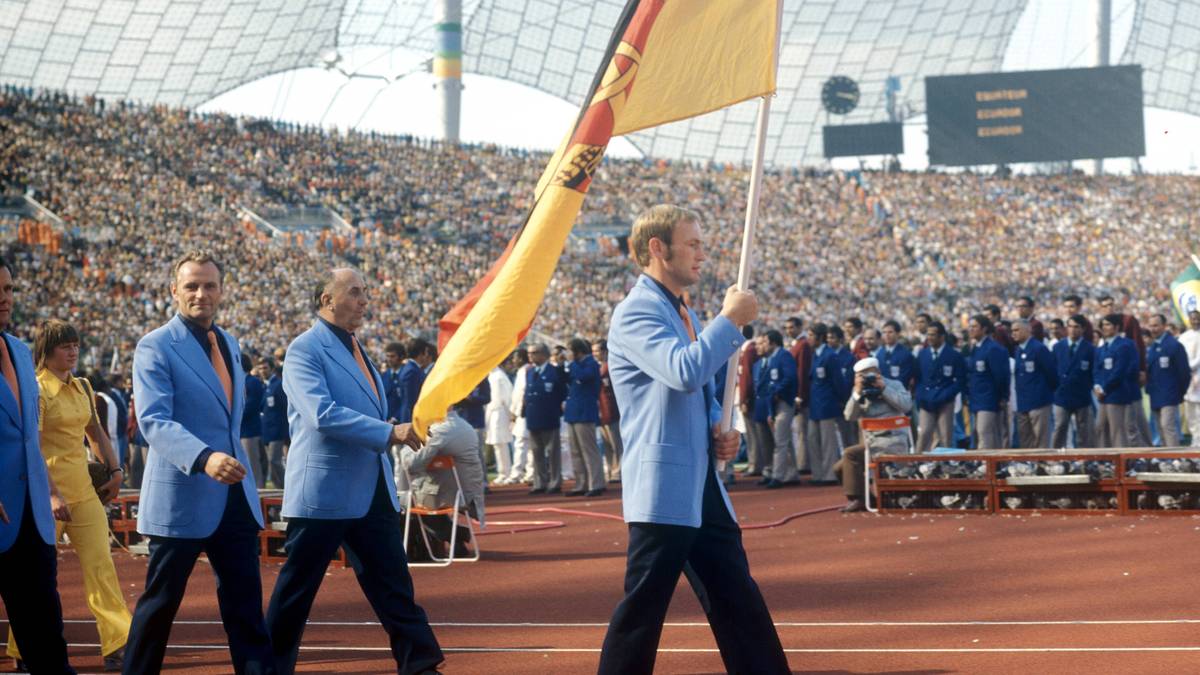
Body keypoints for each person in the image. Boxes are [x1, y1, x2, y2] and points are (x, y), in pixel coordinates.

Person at [598, 204, 788, 675]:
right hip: (665, 486)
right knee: (642, 610)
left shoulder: (683, 311)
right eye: (694, 244)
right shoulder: (636, 312)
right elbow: (682, 372)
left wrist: (721, 432)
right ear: (658, 248)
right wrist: (730, 322)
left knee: (736, 594)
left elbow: (698, 394)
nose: (703, 253)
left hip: (699, 482)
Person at [265, 267, 442, 674]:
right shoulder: (304, 349)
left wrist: (397, 428)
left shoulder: (356, 347)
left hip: (371, 487)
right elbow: (322, 414)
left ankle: (421, 664)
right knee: (296, 592)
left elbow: (363, 412)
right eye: (355, 292)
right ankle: (268, 667)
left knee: (394, 586)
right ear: (327, 299)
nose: (364, 301)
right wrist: (388, 432)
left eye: (365, 292)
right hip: (325, 491)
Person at [124, 250, 273, 674]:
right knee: (160, 605)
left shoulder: (229, 342)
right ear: (174, 291)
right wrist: (204, 458)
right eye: (191, 285)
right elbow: (153, 421)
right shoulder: (154, 346)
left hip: (234, 496)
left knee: (246, 609)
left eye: (209, 285)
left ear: (222, 291)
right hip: (183, 494)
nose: (200, 293)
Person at [7, 320, 131, 671]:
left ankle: (119, 642)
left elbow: (96, 432)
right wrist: (51, 495)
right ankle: (23, 650)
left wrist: (116, 470)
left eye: (76, 344)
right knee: (34, 579)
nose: (73, 351)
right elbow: (31, 446)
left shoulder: (83, 386)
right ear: (46, 352)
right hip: (46, 497)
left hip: (83, 493)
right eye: (65, 346)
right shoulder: (36, 390)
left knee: (101, 568)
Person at [0, 258, 77, 675]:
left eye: (9, 289)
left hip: (31, 519)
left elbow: (29, 438)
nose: (4, 298)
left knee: (47, 640)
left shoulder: (19, 349)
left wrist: (48, 490)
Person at [835, 357, 913, 512]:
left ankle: (858, 499)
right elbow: (849, 416)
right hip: (871, 443)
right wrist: (857, 394)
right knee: (838, 468)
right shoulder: (859, 390)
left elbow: (906, 406)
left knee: (849, 454)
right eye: (860, 376)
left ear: (877, 372)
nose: (866, 379)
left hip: (893, 440)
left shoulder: (894, 384)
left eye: (868, 375)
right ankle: (865, 499)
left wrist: (884, 389)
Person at [752, 330, 799, 488]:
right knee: (784, 440)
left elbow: (790, 377)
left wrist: (778, 391)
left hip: (783, 402)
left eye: (765, 342)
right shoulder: (773, 358)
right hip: (774, 403)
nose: (763, 345)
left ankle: (778, 476)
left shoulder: (783, 356)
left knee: (780, 440)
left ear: (773, 342)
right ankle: (791, 473)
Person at [809, 325, 852, 484]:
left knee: (828, 442)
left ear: (819, 337)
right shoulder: (815, 355)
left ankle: (829, 474)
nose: (809, 338)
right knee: (813, 439)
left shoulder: (829, 356)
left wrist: (841, 399)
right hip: (815, 404)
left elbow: (838, 382)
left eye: (811, 335)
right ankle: (817, 473)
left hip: (827, 404)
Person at [522, 343, 567, 495]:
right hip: (533, 417)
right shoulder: (530, 372)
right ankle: (539, 482)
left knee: (553, 453)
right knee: (536, 453)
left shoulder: (554, 371)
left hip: (549, 416)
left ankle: (555, 482)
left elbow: (561, 393)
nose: (530, 356)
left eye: (533, 352)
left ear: (543, 354)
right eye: (529, 353)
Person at [914, 321, 965, 452]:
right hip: (926, 401)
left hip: (945, 401)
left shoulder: (954, 355)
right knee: (924, 434)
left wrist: (947, 394)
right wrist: (921, 395)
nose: (929, 338)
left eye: (933, 335)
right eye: (928, 334)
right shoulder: (922, 354)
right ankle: (918, 464)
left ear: (942, 337)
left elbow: (960, 380)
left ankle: (946, 466)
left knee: (946, 436)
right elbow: (918, 378)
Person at [563, 338, 605, 497]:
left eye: (570, 351)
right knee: (576, 451)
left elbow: (583, 376)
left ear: (578, 351)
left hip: (584, 411)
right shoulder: (576, 365)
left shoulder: (591, 364)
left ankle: (596, 483)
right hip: (573, 411)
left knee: (589, 450)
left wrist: (571, 364)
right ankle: (581, 483)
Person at [1094, 313, 1141, 448]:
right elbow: (1096, 370)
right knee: (1100, 428)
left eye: (1108, 324)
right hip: (1103, 394)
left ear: (1117, 327)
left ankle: (1122, 462)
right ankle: (1105, 461)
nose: (1104, 327)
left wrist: (1104, 388)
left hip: (1117, 393)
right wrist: (1097, 386)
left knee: (1117, 430)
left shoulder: (1124, 345)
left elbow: (1119, 371)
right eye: (1103, 325)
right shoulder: (1102, 348)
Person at [1051, 315, 1097, 448]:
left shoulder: (1090, 349)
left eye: (1076, 327)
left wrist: (1089, 386)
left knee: (1084, 431)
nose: (1072, 330)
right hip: (1062, 394)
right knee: (1060, 428)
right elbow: (1053, 370)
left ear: (1083, 329)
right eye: (1070, 326)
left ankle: (1085, 460)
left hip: (1082, 395)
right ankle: (1055, 460)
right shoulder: (1058, 347)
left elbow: (1093, 372)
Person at [1146, 314, 1190, 446]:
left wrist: (1180, 392)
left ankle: (1175, 459)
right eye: (1151, 326)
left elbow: (1184, 373)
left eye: (1156, 325)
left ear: (1164, 326)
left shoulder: (1174, 345)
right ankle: (1166, 460)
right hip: (1155, 394)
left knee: (1167, 426)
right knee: (1160, 429)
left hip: (1170, 394)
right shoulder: (1152, 347)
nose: (1153, 329)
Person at [967, 315, 1010, 449]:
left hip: (989, 398)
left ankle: (986, 466)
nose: (971, 329)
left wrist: (1002, 396)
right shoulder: (975, 348)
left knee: (985, 432)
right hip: (976, 398)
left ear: (984, 328)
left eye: (974, 326)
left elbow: (1001, 376)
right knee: (981, 433)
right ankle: (992, 465)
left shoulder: (993, 348)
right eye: (970, 326)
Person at [1011, 319, 1057, 448]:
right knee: (1025, 439)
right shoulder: (1018, 350)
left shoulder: (1039, 348)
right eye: (1012, 331)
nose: (1013, 333)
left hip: (1039, 401)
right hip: (1023, 402)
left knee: (1041, 439)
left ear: (1028, 330)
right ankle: (1027, 466)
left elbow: (1052, 374)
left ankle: (1041, 466)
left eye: (1016, 330)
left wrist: (1044, 393)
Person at [784, 317, 813, 477]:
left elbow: (802, 371)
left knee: (803, 430)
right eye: (787, 328)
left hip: (800, 395)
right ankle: (802, 462)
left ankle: (804, 463)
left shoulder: (803, 345)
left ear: (800, 327)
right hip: (794, 393)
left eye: (792, 327)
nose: (789, 331)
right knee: (799, 430)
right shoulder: (795, 344)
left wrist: (800, 395)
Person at [593, 339, 623, 483]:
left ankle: (619, 470)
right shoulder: (597, 367)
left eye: (597, 351)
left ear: (604, 351)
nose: (595, 354)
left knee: (616, 443)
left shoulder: (610, 366)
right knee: (607, 444)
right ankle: (611, 469)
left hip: (612, 410)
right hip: (601, 411)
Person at [506, 348, 534, 484]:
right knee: (527, 444)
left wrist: (514, 412)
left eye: (515, 358)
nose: (513, 361)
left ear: (521, 358)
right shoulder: (524, 370)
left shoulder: (525, 370)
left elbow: (520, 394)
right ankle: (530, 473)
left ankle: (516, 473)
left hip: (524, 412)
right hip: (525, 411)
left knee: (521, 443)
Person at [259, 357, 288, 488]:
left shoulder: (278, 385)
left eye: (265, 368)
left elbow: (285, 408)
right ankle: (278, 492)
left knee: (274, 461)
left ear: (272, 369)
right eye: (260, 368)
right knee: (271, 463)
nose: (262, 371)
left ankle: (286, 489)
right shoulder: (265, 386)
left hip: (278, 431)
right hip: (267, 432)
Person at [484, 362, 514, 485]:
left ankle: (505, 472)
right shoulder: (491, 376)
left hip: (500, 412)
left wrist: (510, 414)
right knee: (497, 444)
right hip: (492, 412)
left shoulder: (499, 376)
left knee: (500, 443)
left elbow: (507, 397)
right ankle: (502, 472)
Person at [240, 353, 267, 488]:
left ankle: (260, 501)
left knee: (253, 468)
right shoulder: (240, 381)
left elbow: (251, 406)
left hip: (250, 432)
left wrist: (233, 417)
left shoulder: (252, 382)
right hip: (242, 432)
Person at [1179, 310, 1200, 447]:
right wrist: (1186, 370)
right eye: (1193, 318)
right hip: (1187, 377)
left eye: (1197, 318)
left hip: (1197, 375)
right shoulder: (1184, 337)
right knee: (1190, 411)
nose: (1195, 321)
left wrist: (1191, 368)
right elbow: (1180, 355)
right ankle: (1194, 439)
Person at [876, 320, 915, 390]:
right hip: (881, 392)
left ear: (898, 334)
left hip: (898, 392)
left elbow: (904, 379)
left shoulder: (906, 354)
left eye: (890, 332)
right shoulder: (880, 353)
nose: (887, 335)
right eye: (884, 332)